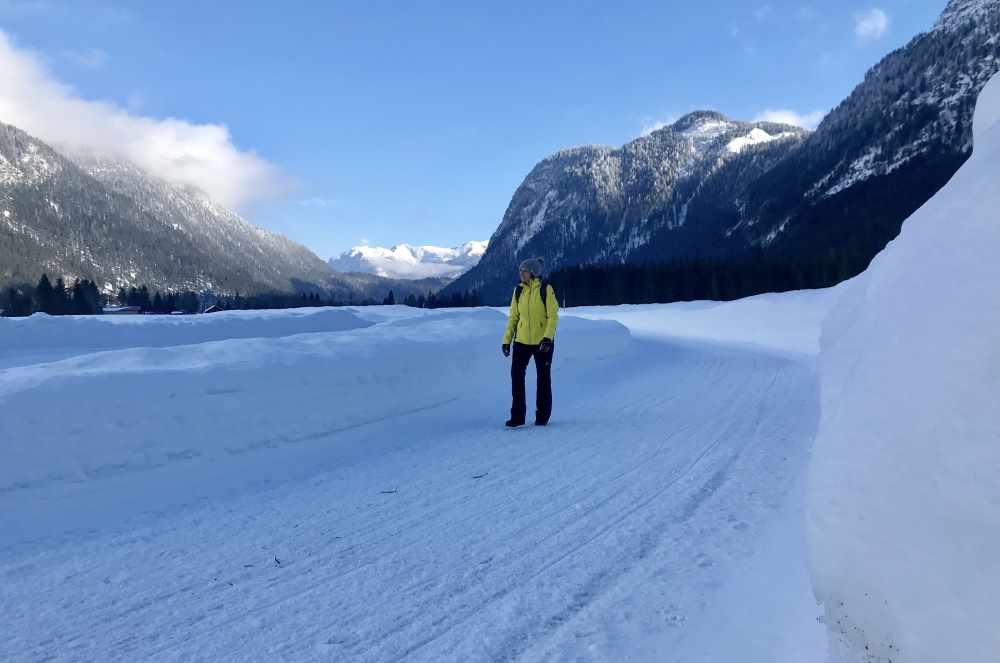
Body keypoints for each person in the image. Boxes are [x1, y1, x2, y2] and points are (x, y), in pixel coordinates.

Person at [501, 257, 559, 427]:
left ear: (532, 273)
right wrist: (506, 340)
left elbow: (553, 315)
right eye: (520, 271)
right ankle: (517, 417)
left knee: (543, 378)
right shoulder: (518, 291)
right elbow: (513, 317)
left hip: (543, 342)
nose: (521, 274)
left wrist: (547, 337)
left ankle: (542, 416)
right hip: (521, 341)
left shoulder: (545, 289)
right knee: (517, 377)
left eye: (524, 271)